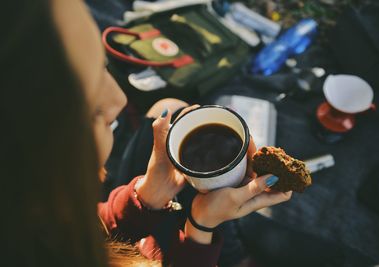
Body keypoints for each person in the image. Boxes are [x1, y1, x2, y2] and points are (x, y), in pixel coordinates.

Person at [0, 0, 292, 266]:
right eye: (91, 112)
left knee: (172, 109)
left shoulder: (36, 219)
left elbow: (88, 229)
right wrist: (200, 230)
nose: (120, 101)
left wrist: (146, 197)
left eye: (103, 68)